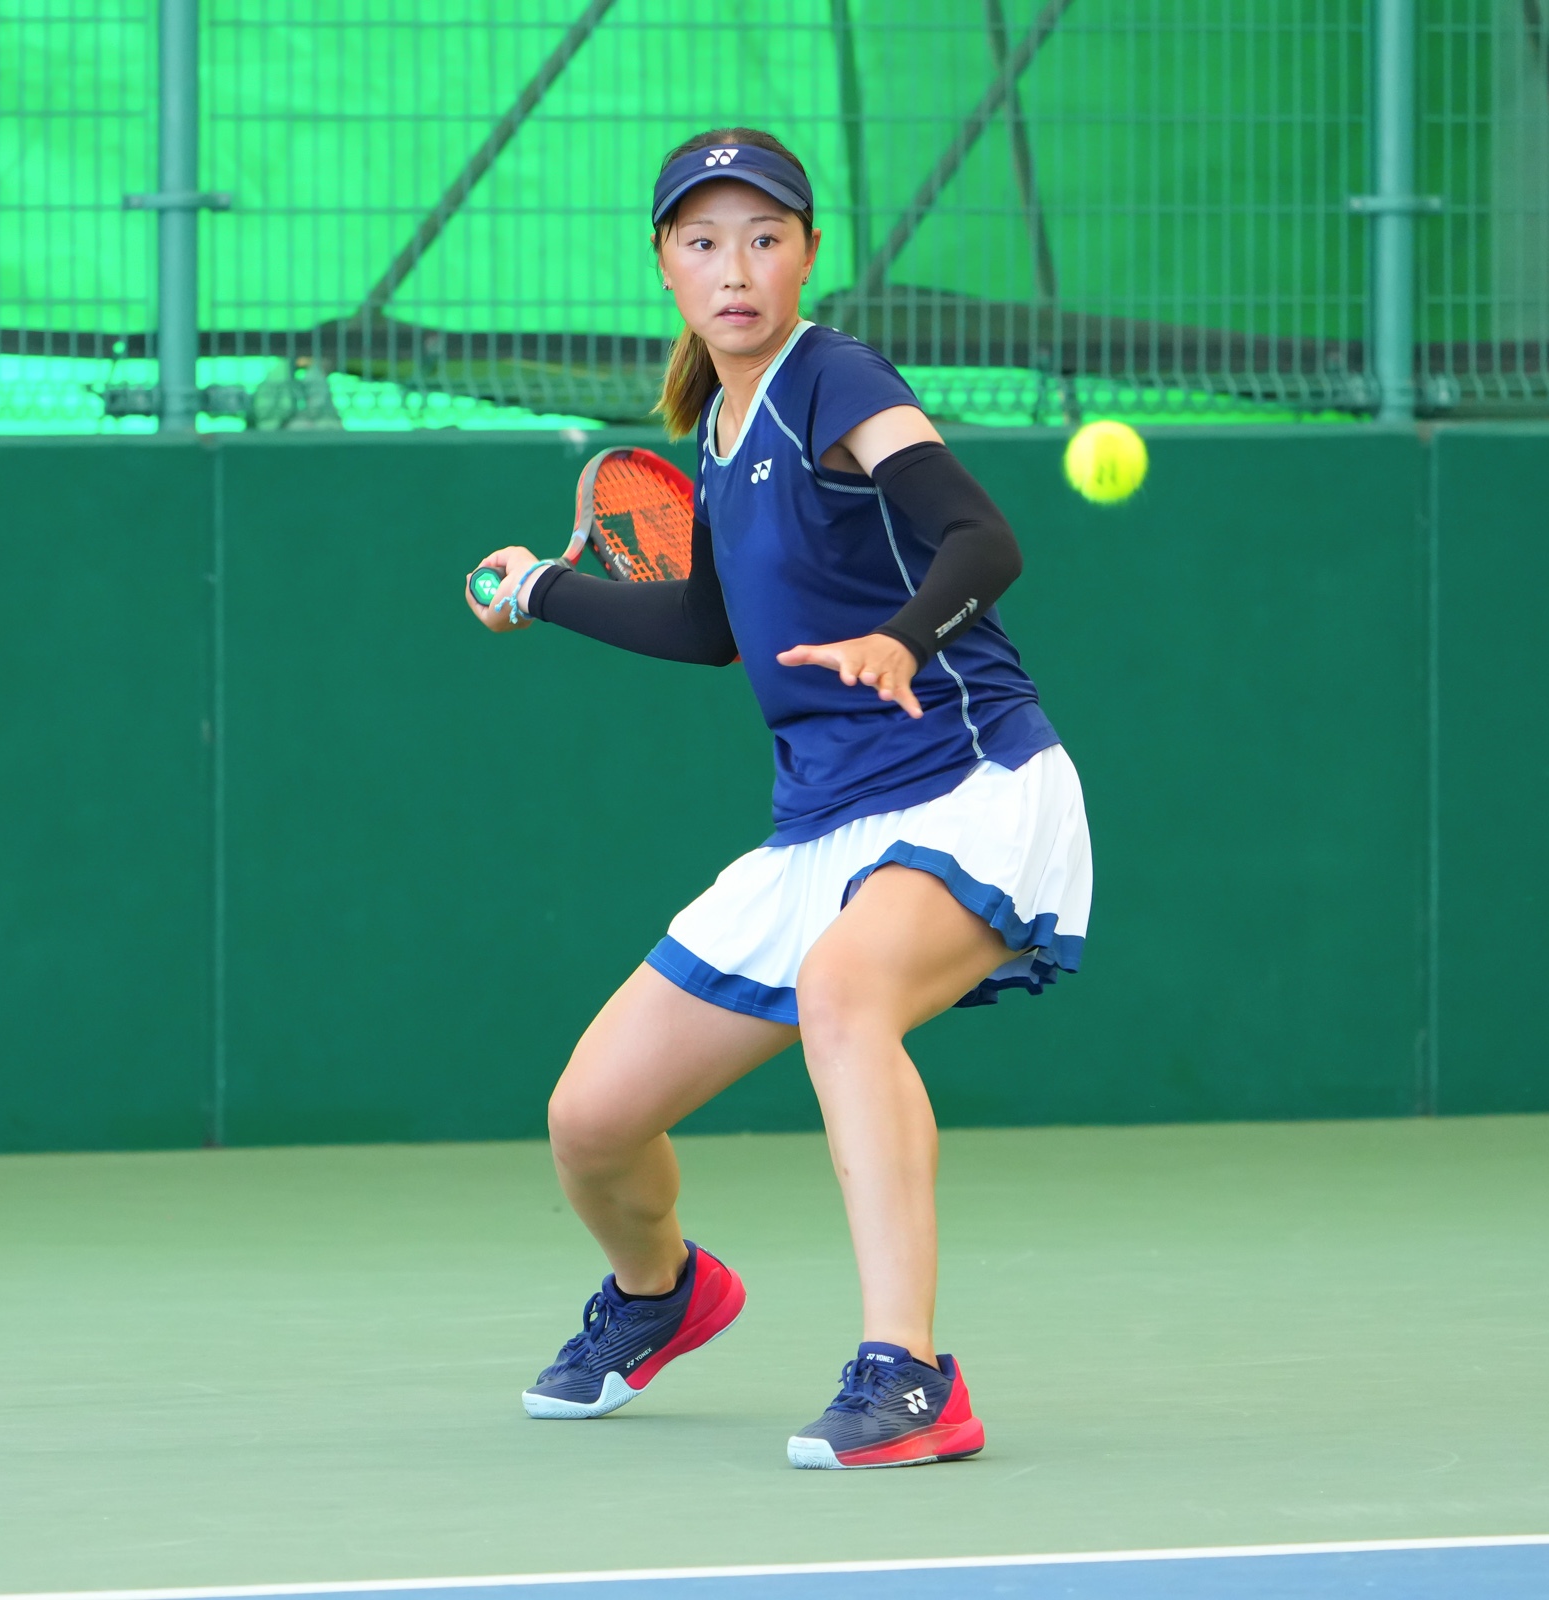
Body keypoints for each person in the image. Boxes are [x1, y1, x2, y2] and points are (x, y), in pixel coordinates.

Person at [464, 128, 1092, 1470]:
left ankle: (911, 1375)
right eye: (704, 243)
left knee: (844, 993)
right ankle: (661, 1294)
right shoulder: (715, 429)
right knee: (591, 1123)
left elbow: (984, 537)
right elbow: (710, 629)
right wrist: (548, 591)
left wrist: (905, 639)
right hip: (820, 822)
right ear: (666, 265)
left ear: (808, 254)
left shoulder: (835, 379)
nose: (735, 269)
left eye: (764, 239)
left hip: (968, 780)